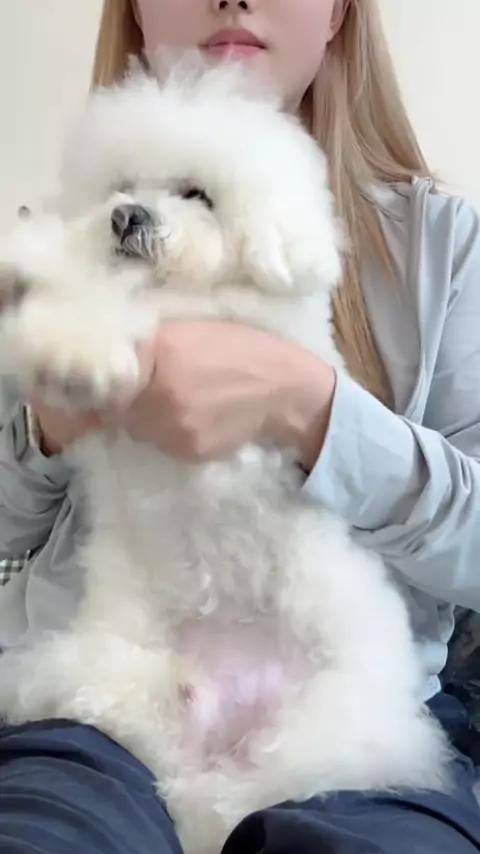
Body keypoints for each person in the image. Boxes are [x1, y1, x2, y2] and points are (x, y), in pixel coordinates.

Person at [1, 0, 480, 851]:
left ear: (337, 13)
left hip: (342, 713)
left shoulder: (444, 244)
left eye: (194, 195)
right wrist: (50, 424)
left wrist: (311, 412)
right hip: (93, 696)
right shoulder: (53, 251)